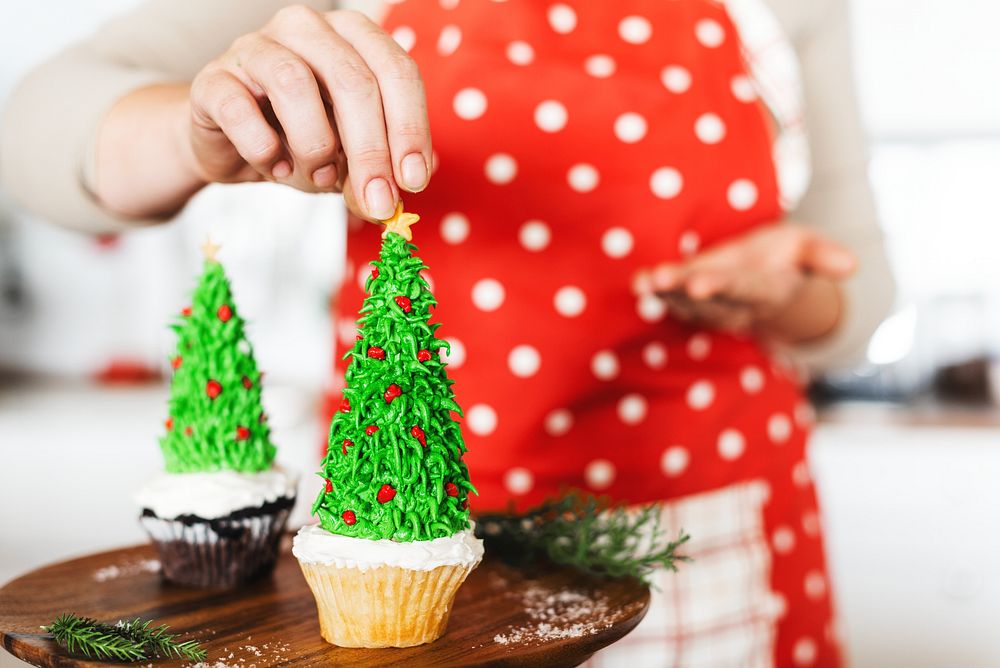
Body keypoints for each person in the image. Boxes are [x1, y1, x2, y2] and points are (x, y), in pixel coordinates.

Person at [1, 0, 894, 665]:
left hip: (707, 531)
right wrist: (193, 136)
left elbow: (860, 302)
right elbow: (30, 135)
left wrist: (782, 293)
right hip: (396, 536)